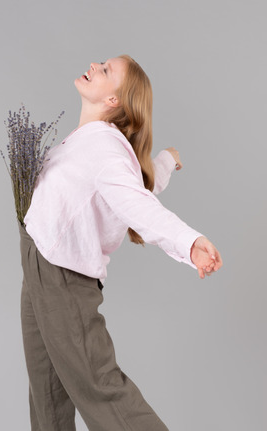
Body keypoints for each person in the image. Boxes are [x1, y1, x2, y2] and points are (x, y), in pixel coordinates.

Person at [19, 54, 223, 431]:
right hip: (39, 270)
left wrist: (189, 242)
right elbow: (139, 185)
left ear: (114, 101)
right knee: (47, 392)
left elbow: (138, 205)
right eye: (100, 62)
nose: (94, 66)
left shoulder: (105, 147)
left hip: (62, 279)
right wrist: (166, 160)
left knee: (102, 390)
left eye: (106, 70)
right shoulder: (90, 142)